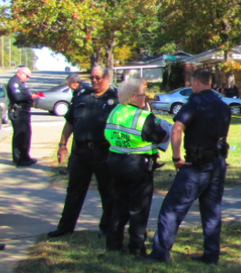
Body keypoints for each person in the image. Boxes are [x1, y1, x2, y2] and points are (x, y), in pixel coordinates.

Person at [144, 69, 231, 264]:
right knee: (211, 210)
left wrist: (176, 158)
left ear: (197, 82)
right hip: (217, 164)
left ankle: (160, 253)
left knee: (172, 208)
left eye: (192, 83)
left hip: (196, 165)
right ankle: (211, 255)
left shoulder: (195, 104)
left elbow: (177, 128)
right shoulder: (223, 106)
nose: (191, 86)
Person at [48, 65, 118, 239]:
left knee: (108, 193)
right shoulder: (82, 97)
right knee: (74, 192)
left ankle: (107, 227)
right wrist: (62, 145)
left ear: (107, 78)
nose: (94, 81)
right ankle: (65, 227)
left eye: (98, 78)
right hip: (81, 153)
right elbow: (70, 123)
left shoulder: (115, 100)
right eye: (92, 77)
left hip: (104, 152)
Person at [104, 78, 169, 256]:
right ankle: (137, 247)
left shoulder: (115, 112)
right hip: (138, 166)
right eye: (143, 95)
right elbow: (160, 136)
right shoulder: (142, 117)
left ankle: (113, 242)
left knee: (119, 205)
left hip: (116, 162)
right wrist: (150, 116)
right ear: (134, 98)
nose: (145, 98)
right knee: (139, 209)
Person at [6, 65, 38, 167]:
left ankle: (25, 156)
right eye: (27, 76)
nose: (27, 78)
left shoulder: (22, 83)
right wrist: (30, 96)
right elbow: (17, 96)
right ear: (20, 73)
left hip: (25, 112)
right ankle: (18, 159)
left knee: (26, 135)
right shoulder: (14, 82)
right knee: (19, 136)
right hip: (18, 112)